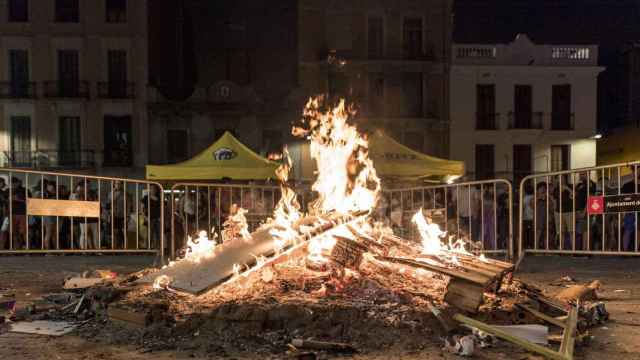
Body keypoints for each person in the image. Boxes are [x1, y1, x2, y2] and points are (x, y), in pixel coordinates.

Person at [621, 171, 639, 251]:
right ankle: (625, 251)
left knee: (638, 231)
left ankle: (636, 250)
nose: (638, 172)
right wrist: (623, 214)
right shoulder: (626, 185)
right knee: (628, 230)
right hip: (630, 211)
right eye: (636, 170)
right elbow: (621, 199)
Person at [553, 179, 574, 249]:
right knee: (561, 232)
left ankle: (573, 249)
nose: (561, 179)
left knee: (571, 231)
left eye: (562, 177)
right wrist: (555, 212)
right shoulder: (556, 189)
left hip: (569, 212)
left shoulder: (570, 186)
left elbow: (574, 196)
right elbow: (555, 201)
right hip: (558, 212)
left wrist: (567, 188)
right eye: (559, 178)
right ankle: (561, 249)